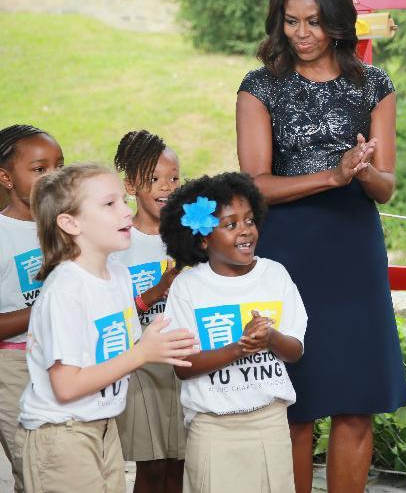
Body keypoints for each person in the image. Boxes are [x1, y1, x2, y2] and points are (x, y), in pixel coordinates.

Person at [236, 0, 406, 493]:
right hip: (288, 252)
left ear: (337, 20)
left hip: (354, 252)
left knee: (356, 402)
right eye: (291, 21)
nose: (302, 34)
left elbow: (386, 187)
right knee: (296, 404)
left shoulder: (374, 85)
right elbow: (255, 184)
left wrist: (363, 171)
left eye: (313, 21)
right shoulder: (259, 87)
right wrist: (332, 176)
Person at [17, 163, 196, 493]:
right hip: (63, 434)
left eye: (122, 202)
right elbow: (66, 386)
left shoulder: (119, 275)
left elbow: (119, 349)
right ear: (70, 223)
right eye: (109, 204)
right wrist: (142, 354)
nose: (125, 211)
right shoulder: (66, 290)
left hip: (103, 426)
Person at [159, 172, 307, 493]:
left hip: (269, 423)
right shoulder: (189, 287)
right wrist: (239, 348)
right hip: (213, 429)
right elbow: (183, 366)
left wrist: (271, 338)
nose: (245, 230)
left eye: (250, 220)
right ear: (203, 239)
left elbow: (295, 350)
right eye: (230, 224)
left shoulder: (275, 275)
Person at [112, 130, 186, 493]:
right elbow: (111, 313)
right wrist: (157, 290)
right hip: (140, 365)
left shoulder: (190, 237)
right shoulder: (118, 242)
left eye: (174, 178)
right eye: (154, 179)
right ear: (130, 186)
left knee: (180, 464)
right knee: (152, 467)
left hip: (185, 360)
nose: (166, 187)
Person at [0, 125, 64, 492]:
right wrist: (48, 306)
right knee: (34, 471)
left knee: (66, 466)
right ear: (6, 177)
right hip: (15, 365)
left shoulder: (67, 226)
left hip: (66, 358)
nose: (52, 176)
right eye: (40, 169)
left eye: (59, 166)